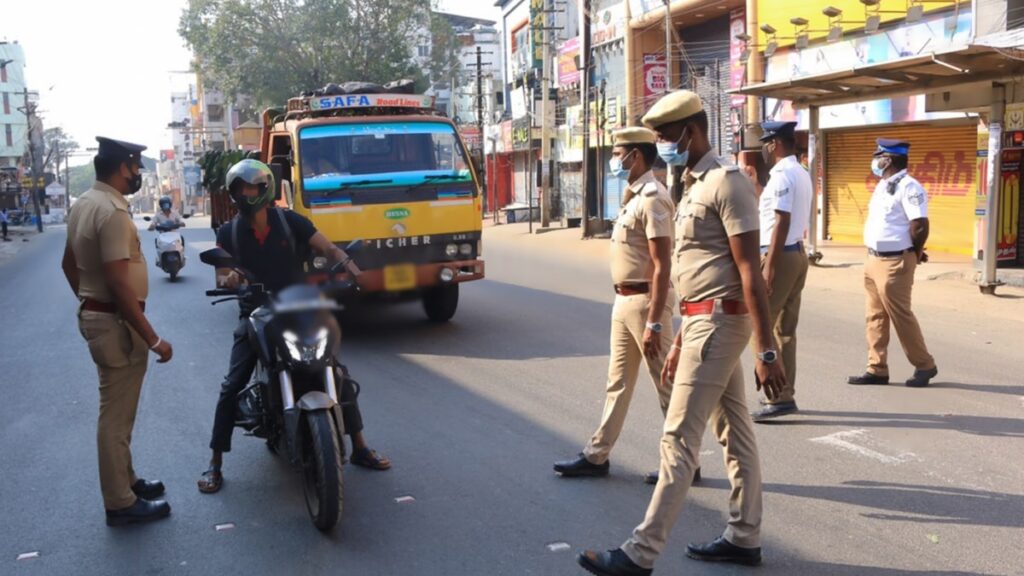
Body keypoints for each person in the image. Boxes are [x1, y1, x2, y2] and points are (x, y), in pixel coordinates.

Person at [577, 91, 785, 576]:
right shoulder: (690, 185)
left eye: (667, 137)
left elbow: (749, 271)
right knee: (733, 429)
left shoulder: (727, 183)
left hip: (720, 320)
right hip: (699, 319)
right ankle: (744, 535)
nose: (662, 145)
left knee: (677, 437)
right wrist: (681, 330)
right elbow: (694, 273)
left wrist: (768, 349)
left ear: (690, 132)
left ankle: (640, 553)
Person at [197, 159, 390, 494]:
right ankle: (215, 463)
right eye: (239, 189)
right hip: (257, 312)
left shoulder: (290, 222)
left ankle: (359, 446)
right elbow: (222, 273)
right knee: (232, 385)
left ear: (265, 188)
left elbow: (327, 247)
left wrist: (350, 267)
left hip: (300, 306)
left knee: (335, 369)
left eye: (251, 187)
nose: (245, 194)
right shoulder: (228, 232)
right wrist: (231, 277)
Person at [554, 127, 700, 485]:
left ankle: (686, 461)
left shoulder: (653, 197)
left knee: (665, 383)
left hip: (645, 303)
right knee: (616, 383)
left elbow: (663, 263)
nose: (614, 160)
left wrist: (654, 322)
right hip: (624, 300)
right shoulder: (633, 196)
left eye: (618, 153)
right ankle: (597, 454)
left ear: (636, 156)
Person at [61, 137, 175, 526]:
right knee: (115, 417)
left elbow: (68, 265)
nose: (139, 174)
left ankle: (127, 483)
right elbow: (118, 283)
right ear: (121, 167)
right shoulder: (110, 212)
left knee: (120, 413)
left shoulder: (84, 204)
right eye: (136, 166)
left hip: (103, 317)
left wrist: (90, 302)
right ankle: (120, 503)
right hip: (116, 323)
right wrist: (153, 338)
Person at [848, 139, 938, 388]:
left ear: (888, 160)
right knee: (874, 316)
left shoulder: (910, 187)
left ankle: (925, 365)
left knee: (901, 316)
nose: (875, 160)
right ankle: (877, 368)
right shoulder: (884, 185)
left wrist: (915, 253)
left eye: (879, 156)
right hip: (874, 258)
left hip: (895, 260)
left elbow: (919, 225)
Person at [750, 121, 813, 422]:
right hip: (795, 253)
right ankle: (784, 394)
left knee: (762, 326)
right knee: (785, 330)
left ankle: (776, 395)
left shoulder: (782, 174)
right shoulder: (798, 172)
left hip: (781, 255)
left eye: (766, 142)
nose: (764, 148)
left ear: (775, 143)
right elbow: (778, 212)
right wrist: (756, 188)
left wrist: (769, 266)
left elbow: (781, 220)